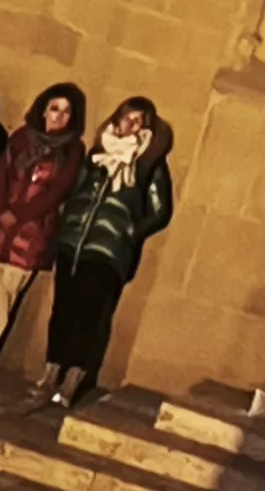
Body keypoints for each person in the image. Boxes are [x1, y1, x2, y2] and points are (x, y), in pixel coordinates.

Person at [40, 96, 175, 406]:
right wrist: (70, 218)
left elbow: (159, 209)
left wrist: (129, 230)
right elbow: (78, 190)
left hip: (108, 251)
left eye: (139, 120)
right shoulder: (98, 153)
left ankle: (74, 379)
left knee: (90, 314)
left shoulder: (148, 164)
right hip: (74, 243)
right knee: (63, 309)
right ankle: (51, 371)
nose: (132, 125)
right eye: (128, 117)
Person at [0, 83, 82, 366]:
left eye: (66, 111)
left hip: (31, 233)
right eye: (54, 108)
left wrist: (21, 215)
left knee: (4, 294)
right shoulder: (22, 138)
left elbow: (58, 190)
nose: (58, 116)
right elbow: (1, 173)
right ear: (44, 109)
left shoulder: (71, 151)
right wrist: (1, 208)